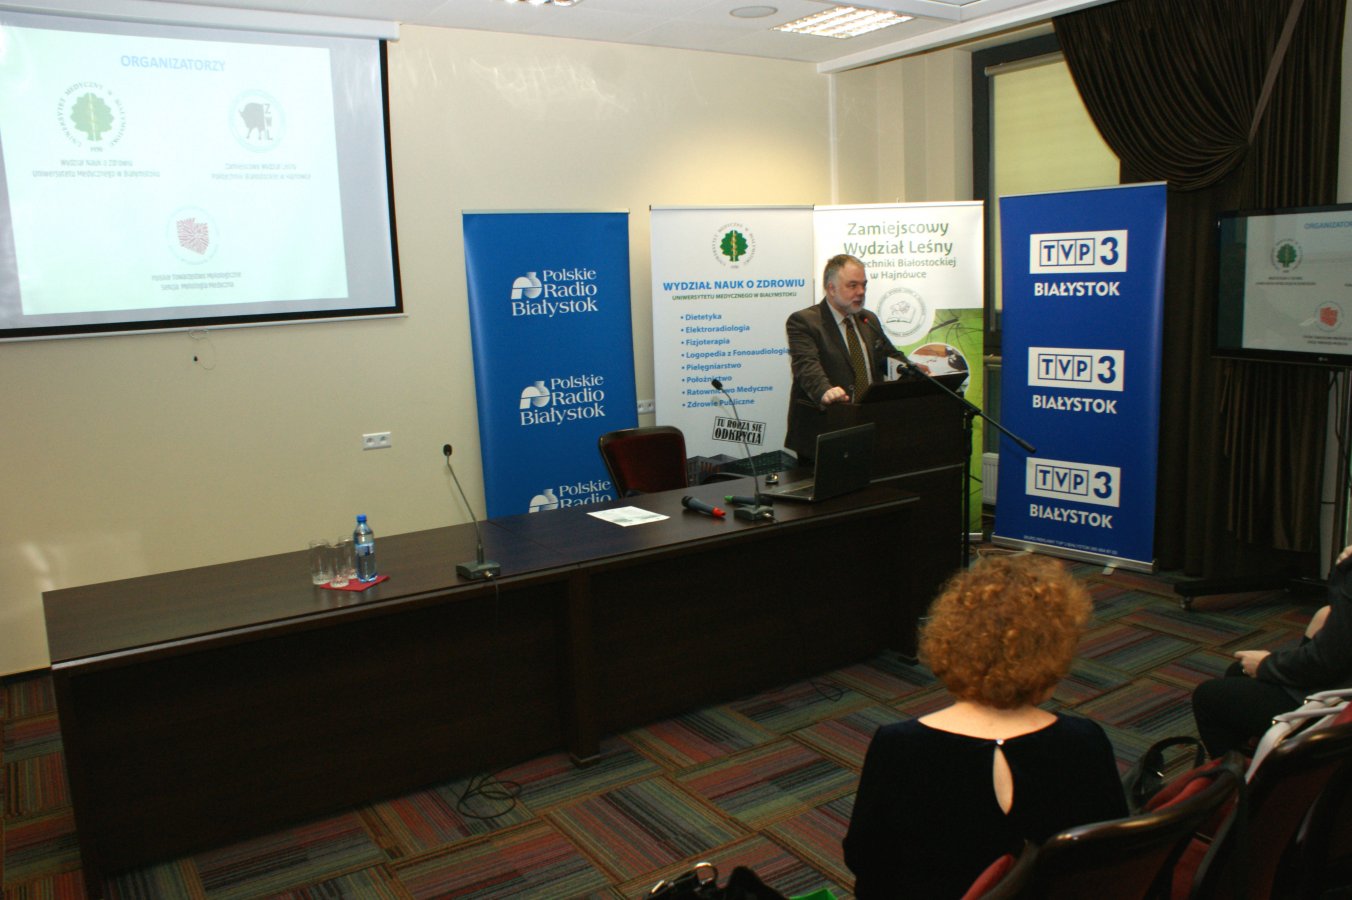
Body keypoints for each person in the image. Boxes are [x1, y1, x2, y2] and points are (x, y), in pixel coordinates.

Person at [843, 554, 1127, 898]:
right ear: (1055, 652)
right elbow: (1110, 855)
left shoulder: (898, 746)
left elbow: (865, 859)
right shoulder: (1085, 741)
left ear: (950, 641)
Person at [1191, 544, 1352, 758]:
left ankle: (1249, 776)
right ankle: (1270, 756)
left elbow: (1325, 661)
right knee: (1238, 672)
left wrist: (1266, 665)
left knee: (1208, 697)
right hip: (1338, 683)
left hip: (1340, 709)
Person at [784, 254, 911, 461]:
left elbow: (889, 355)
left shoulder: (868, 319)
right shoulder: (805, 321)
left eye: (864, 285)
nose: (861, 292)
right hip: (824, 428)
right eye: (852, 285)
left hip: (868, 425)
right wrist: (824, 390)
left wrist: (915, 370)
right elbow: (806, 365)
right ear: (831, 288)